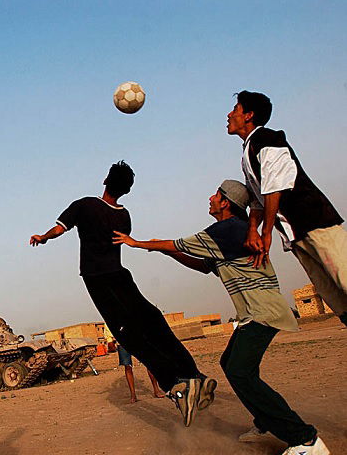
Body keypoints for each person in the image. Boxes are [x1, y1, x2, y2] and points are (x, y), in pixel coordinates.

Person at [114, 180, 330, 455]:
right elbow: (203, 265)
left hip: (264, 312)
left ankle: (305, 439)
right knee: (230, 364)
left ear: (226, 202)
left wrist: (140, 243)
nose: (210, 198)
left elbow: (182, 243)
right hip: (253, 313)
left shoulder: (228, 229)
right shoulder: (229, 236)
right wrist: (164, 250)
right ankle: (265, 420)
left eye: (216, 195)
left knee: (241, 372)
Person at [29, 160, 215, 427]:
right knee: (153, 321)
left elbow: (59, 229)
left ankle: (177, 385)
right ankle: (194, 374)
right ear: (127, 190)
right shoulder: (124, 216)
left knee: (129, 336)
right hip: (121, 276)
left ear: (105, 180)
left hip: (99, 281)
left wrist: (43, 237)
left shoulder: (84, 205)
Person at [226, 90, 347, 326]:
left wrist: (266, 232)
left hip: (316, 224)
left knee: (344, 276)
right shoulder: (248, 152)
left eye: (236, 109)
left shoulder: (268, 139)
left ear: (249, 115)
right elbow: (258, 198)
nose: (229, 114)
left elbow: (274, 188)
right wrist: (253, 228)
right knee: (333, 295)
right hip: (296, 234)